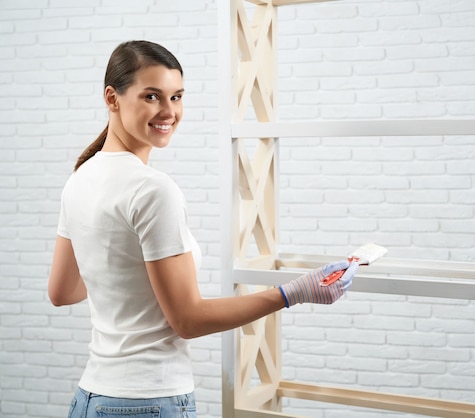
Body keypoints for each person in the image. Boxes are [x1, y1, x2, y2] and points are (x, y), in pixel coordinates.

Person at [47, 40, 358, 417]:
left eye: (177, 97)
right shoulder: (152, 189)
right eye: (151, 96)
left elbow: (62, 291)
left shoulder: (81, 178)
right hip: (148, 402)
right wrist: (294, 293)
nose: (168, 111)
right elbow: (188, 320)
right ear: (112, 98)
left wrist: (117, 278)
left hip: (89, 398)